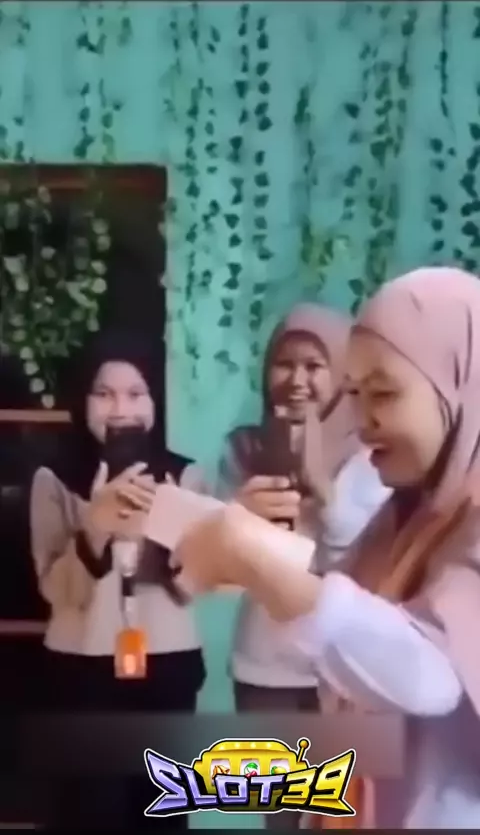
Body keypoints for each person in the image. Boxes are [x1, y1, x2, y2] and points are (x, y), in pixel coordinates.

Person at [174, 267, 480, 828]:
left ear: (459, 382)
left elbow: (433, 675)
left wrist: (257, 559)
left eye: (384, 393)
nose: (362, 420)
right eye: (355, 394)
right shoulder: (407, 512)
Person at [214, 303, 389, 829]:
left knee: (341, 818)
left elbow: (363, 563)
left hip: (343, 673)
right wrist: (238, 514)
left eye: (314, 366)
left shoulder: (374, 457)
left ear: (342, 374)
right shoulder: (242, 449)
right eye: (284, 364)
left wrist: (321, 485)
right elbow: (220, 568)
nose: (296, 380)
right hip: (264, 670)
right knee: (282, 819)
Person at [30, 330, 205, 830]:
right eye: (104, 394)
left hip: (167, 663)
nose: (120, 409)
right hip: (80, 666)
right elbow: (55, 591)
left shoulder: (185, 477)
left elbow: (193, 586)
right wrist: (96, 525)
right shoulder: (54, 478)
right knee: (88, 812)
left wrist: (162, 518)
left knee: (163, 814)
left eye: (135, 393)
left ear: (154, 402)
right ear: (84, 401)